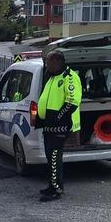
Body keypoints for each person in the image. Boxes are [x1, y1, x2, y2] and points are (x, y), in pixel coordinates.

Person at [34, 50, 82, 202]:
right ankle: (52, 185)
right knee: (50, 157)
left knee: (54, 156)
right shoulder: (53, 77)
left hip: (60, 126)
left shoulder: (69, 77)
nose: (46, 65)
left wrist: (57, 119)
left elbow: (72, 102)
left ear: (57, 62)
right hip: (49, 126)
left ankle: (57, 190)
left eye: (48, 62)